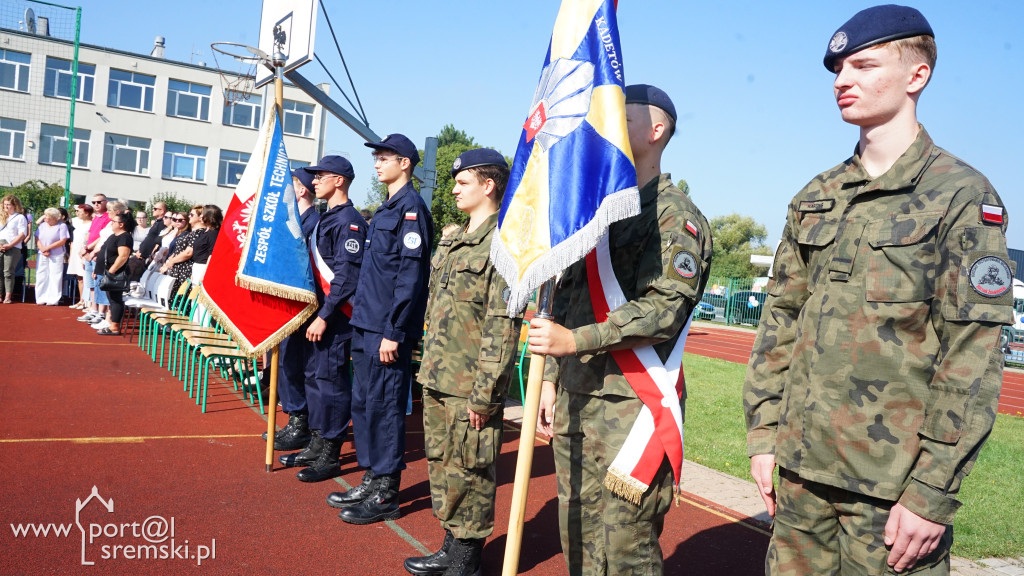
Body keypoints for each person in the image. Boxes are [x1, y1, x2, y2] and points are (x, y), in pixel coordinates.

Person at [742, 7, 1014, 575]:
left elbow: (973, 351)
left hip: (891, 491)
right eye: (838, 69)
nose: (842, 80)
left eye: (863, 65)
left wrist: (932, 490)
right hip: (798, 476)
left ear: (917, 76)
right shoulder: (815, 195)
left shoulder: (960, 194)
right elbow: (780, 324)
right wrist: (763, 436)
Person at [529, 85, 713, 576]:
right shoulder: (595, 214)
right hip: (575, 396)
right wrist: (549, 378)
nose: (604, 126)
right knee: (577, 533)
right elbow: (565, 298)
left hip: (630, 405)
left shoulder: (675, 215)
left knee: (625, 548)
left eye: (619, 118)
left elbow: (664, 309)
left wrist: (575, 342)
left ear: (656, 131)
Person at [403, 149, 522, 576]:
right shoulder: (454, 240)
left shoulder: (502, 246)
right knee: (443, 463)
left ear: (488, 185)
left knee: (471, 468)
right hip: (438, 373)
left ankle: (468, 558)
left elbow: (501, 326)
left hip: (471, 383)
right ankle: (451, 545)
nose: (453, 188)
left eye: (463, 181)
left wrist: (485, 395)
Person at [332, 133, 433, 525]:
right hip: (365, 323)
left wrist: (395, 330)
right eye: (376, 157)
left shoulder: (411, 209)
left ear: (405, 163)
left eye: (385, 157)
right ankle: (372, 476)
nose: (377, 163)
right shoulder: (386, 208)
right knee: (365, 405)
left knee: (386, 406)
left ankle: (386, 491)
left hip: (386, 329)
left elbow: (410, 277)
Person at [277, 157, 366, 483]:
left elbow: (345, 277)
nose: (314, 182)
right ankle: (317, 442)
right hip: (318, 316)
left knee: (330, 384)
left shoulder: (349, 222)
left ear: (339, 180)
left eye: (321, 176)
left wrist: (325, 316)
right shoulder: (330, 219)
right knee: (315, 381)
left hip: (334, 319)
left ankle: (330, 455)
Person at [265, 169, 320, 452]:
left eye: (292, 185)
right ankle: (294, 418)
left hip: (302, 308)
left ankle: (301, 422)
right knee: (286, 363)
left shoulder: (312, 222)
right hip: (288, 307)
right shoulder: (295, 220)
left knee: (295, 365)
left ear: (301, 191)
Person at [95, 208, 135, 335]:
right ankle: (112, 324)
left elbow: (123, 256)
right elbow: (104, 252)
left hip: (116, 274)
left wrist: (111, 271)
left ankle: (115, 327)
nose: (111, 223)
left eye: (113, 221)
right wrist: (98, 269)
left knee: (115, 300)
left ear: (121, 224)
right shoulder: (114, 236)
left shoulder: (125, 237)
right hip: (108, 272)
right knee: (111, 299)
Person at [77, 194, 111, 323]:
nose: (96, 204)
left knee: (98, 283)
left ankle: (101, 313)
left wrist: (89, 248)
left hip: (97, 254)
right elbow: (90, 234)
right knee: (90, 284)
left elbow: (102, 237)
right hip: (89, 253)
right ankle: (93, 310)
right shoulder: (96, 217)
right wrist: (84, 247)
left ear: (105, 202)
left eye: (99, 202)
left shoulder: (108, 217)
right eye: (94, 202)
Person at [33, 208, 70, 306]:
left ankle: (53, 299)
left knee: (55, 276)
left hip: (56, 254)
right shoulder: (42, 225)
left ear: (54, 217)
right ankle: (40, 297)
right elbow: (37, 237)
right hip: (42, 254)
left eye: (47, 215)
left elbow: (62, 240)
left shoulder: (62, 226)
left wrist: (48, 248)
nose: (45, 217)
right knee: (41, 275)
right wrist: (42, 249)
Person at [159, 208, 198, 294]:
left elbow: (185, 252)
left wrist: (170, 262)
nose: (177, 221)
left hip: (180, 267)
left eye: (180, 220)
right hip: (171, 265)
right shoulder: (178, 233)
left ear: (186, 221)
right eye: (175, 219)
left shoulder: (186, 234)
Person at [0, 195, 30, 304]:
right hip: (0, 244)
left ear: (15, 205)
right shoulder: (1, 216)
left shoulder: (20, 217)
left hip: (13, 246)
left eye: (8, 205)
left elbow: (23, 234)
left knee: (8, 272)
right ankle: (0, 294)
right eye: (5, 204)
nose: (6, 207)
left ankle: (8, 296)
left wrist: (10, 245)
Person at [67, 204, 94, 309]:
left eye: (79, 211)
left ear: (86, 213)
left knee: (86, 277)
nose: (77, 213)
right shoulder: (78, 223)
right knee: (79, 278)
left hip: (84, 253)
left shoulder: (91, 224)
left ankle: (87, 301)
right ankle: (81, 300)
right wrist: (71, 255)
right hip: (76, 253)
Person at [188, 204, 223, 285]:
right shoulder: (204, 232)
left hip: (204, 268)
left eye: (202, 214)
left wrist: (204, 274)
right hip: (197, 266)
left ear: (209, 216)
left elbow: (212, 255)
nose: (200, 216)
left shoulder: (214, 234)